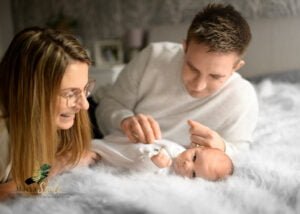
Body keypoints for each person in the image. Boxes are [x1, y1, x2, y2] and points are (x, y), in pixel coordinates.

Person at [95, 3, 258, 157]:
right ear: (185, 47)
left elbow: (241, 154)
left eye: (215, 76)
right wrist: (124, 120)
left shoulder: (242, 96)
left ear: (236, 67)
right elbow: (108, 105)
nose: (198, 86)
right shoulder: (153, 56)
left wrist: (222, 148)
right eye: (192, 68)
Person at [0, 27, 99, 199]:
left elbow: (30, 178)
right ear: (32, 94)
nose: (84, 105)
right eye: (70, 93)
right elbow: (8, 191)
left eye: (85, 89)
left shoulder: (54, 120)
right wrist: (57, 165)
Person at [92, 133, 233, 180]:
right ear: (198, 147)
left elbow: (137, 171)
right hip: (121, 140)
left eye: (194, 174)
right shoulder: (179, 148)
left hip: (108, 155)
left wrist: (153, 163)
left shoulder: (167, 174)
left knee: (90, 149)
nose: (187, 165)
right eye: (194, 158)